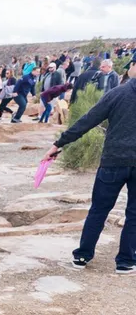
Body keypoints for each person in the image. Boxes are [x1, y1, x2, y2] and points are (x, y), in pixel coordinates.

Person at [44, 60, 136, 275]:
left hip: (113, 161)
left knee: (98, 210)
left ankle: (82, 256)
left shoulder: (117, 94)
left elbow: (88, 120)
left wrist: (59, 144)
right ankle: (126, 262)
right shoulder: (118, 92)